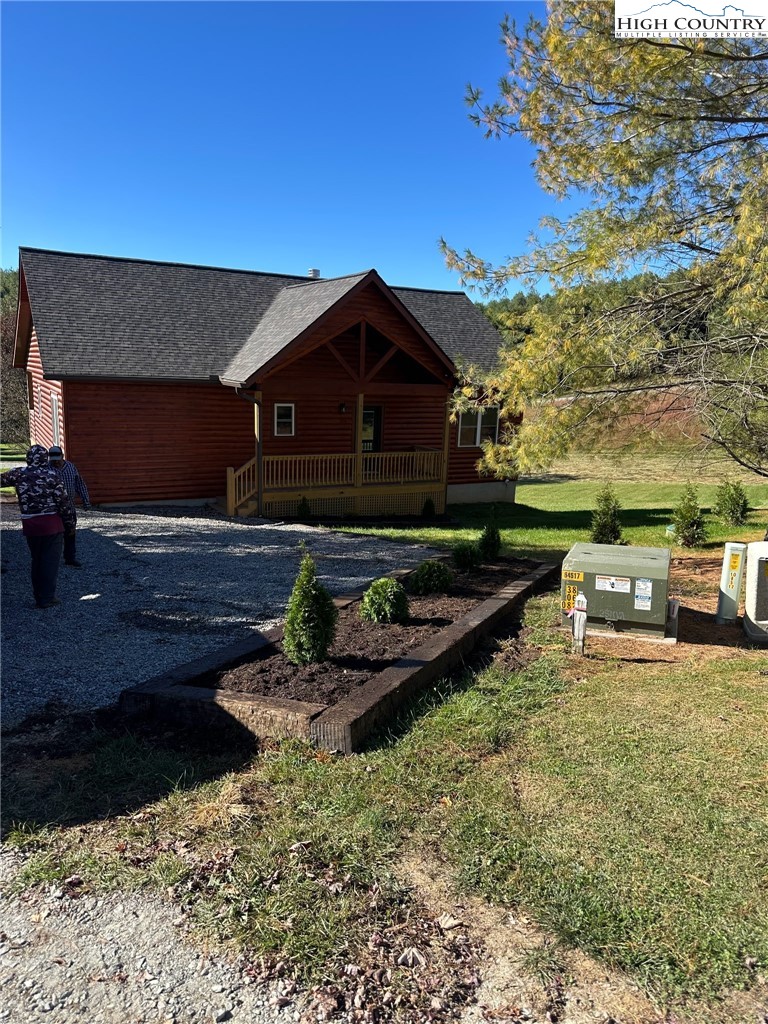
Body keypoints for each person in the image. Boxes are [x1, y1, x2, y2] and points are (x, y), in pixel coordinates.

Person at [1, 444, 76, 608]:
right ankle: (47, 598)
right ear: (45, 458)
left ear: (28, 458)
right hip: (51, 524)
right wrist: (70, 525)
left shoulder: (18, 474)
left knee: (37, 560)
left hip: (30, 525)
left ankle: (38, 596)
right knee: (50, 561)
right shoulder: (52, 476)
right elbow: (63, 504)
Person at [48, 445, 91, 567]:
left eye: (57, 458)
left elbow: (79, 484)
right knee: (53, 535)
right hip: (53, 509)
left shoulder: (71, 467)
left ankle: (70, 557)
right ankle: (51, 560)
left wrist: (86, 501)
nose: (55, 461)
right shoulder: (46, 469)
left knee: (70, 533)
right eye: (53, 459)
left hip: (69, 508)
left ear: (62, 456)